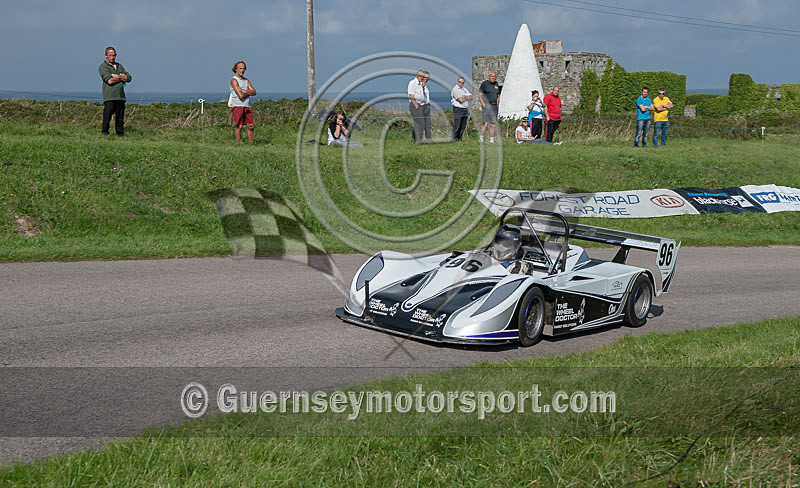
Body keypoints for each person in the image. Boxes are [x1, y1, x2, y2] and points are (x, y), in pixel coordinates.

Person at [98, 46, 132, 136]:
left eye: (114, 55)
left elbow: (129, 77)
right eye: (110, 55)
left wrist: (116, 76)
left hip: (120, 96)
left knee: (120, 118)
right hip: (109, 96)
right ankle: (104, 133)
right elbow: (109, 81)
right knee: (107, 116)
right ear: (106, 55)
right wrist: (121, 77)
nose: (112, 57)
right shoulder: (103, 67)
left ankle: (120, 134)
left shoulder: (119, 65)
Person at [230, 61, 257, 143]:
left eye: (244, 68)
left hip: (247, 106)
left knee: (251, 126)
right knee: (239, 126)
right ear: (235, 69)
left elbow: (254, 92)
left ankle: (251, 143)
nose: (242, 70)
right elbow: (240, 96)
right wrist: (248, 92)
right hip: (238, 106)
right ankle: (238, 143)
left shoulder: (246, 80)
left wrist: (245, 91)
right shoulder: (234, 80)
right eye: (240, 68)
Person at [407, 70, 430, 143]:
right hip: (415, 105)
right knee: (419, 123)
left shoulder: (420, 84)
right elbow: (411, 96)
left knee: (419, 123)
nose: (423, 78)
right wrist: (416, 106)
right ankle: (418, 139)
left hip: (422, 105)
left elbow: (422, 95)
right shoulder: (412, 83)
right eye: (422, 77)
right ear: (417, 76)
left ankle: (416, 138)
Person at [478, 71, 500, 143]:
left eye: (494, 76)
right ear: (489, 76)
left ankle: (491, 139)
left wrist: (497, 104)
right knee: (485, 123)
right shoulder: (484, 84)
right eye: (492, 76)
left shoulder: (497, 84)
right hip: (487, 105)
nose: (493, 78)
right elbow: (480, 95)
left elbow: (498, 96)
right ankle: (481, 137)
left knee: (493, 124)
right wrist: (483, 104)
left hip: (494, 106)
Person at [450, 76, 472, 142]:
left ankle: (459, 139)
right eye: (459, 82)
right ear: (457, 82)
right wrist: (465, 97)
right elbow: (460, 100)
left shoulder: (464, 89)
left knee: (463, 126)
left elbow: (471, 96)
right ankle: (453, 139)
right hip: (458, 109)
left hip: (465, 109)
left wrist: (464, 97)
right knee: (457, 125)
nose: (461, 84)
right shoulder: (455, 90)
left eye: (462, 82)